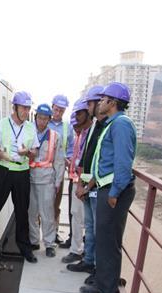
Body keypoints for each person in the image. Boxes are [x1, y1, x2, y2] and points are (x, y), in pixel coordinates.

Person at [82, 82, 137, 293]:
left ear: (112, 103)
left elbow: (124, 163)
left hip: (114, 192)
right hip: (106, 188)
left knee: (108, 245)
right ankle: (104, 286)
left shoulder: (121, 124)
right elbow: (102, 160)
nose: (100, 102)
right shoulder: (112, 124)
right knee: (105, 243)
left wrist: (114, 193)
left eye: (103, 99)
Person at [0, 91, 39, 263]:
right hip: (3, 171)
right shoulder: (1, 124)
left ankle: (25, 248)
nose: (26, 111)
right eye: (23, 108)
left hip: (22, 172)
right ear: (14, 107)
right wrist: (5, 156)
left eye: (28, 108)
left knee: (22, 210)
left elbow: (35, 152)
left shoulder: (31, 127)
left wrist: (28, 152)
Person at [67, 86, 105, 280]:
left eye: (90, 104)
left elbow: (103, 162)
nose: (89, 107)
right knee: (90, 227)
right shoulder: (93, 128)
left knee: (98, 229)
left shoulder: (110, 127)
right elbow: (85, 159)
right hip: (86, 184)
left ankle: (98, 270)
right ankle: (89, 261)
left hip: (98, 187)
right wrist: (81, 184)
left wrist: (86, 185)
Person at [28, 103, 64, 258]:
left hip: (47, 179)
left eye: (45, 119)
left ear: (49, 120)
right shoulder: (29, 133)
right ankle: (34, 240)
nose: (41, 121)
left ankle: (49, 243)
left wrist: (58, 182)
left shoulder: (55, 136)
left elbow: (59, 161)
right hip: (29, 178)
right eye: (39, 118)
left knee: (47, 213)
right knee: (31, 212)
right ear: (35, 118)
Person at [61, 99, 92, 264]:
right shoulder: (81, 135)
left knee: (80, 217)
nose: (77, 119)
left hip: (83, 183)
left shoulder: (88, 135)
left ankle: (77, 251)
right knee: (77, 216)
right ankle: (78, 250)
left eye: (80, 113)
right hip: (77, 180)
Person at [48, 94, 74, 245]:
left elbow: (70, 148)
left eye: (61, 111)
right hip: (41, 170)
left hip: (58, 171)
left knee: (55, 204)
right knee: (39, 203)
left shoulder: (67, 128)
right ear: (52, 107)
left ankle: (54, 233)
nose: (57, 113)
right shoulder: (42, 122)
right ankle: (40, 233)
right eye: (56, 109)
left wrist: (68, 159)